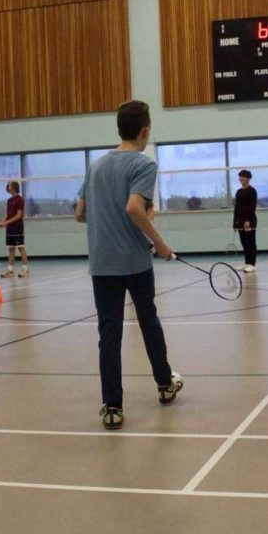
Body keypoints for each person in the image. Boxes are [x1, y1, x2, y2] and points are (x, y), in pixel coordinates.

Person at [75, 100, 183, 430]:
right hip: (135, 262)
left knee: (109, 334)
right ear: (145, 131)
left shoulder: (95, 166)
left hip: (102, 263)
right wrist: (159, 241)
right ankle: (165, 385)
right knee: (149, 322)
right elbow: (134, 207)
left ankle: (112, 407)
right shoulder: (142, 164)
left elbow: (80, 214)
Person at [0, 181, 28, 278]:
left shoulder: (20, 200)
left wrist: (6, 223)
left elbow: (19, 215)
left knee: (20, 247)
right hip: (10, 228)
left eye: (10, 185)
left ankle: (25, 270)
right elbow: (8, 214)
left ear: (14, 187)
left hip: (17, 227)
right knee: (11, 249)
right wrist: (2, 222)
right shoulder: (9, 201)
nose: (8, 186)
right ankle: (10, 271)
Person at [233, 169, 258, 272]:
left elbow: (252, 207)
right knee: (244, 243)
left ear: (248, 179)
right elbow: (236, 208)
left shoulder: (252, 191)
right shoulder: (238, 192)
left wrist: (248, 220)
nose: (241, 178)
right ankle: (247, 263)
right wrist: (235, 223)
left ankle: (252, 264)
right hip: (240, 222)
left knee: (250, 243)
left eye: (243, 177)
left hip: (249, 222)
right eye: (240, 176)